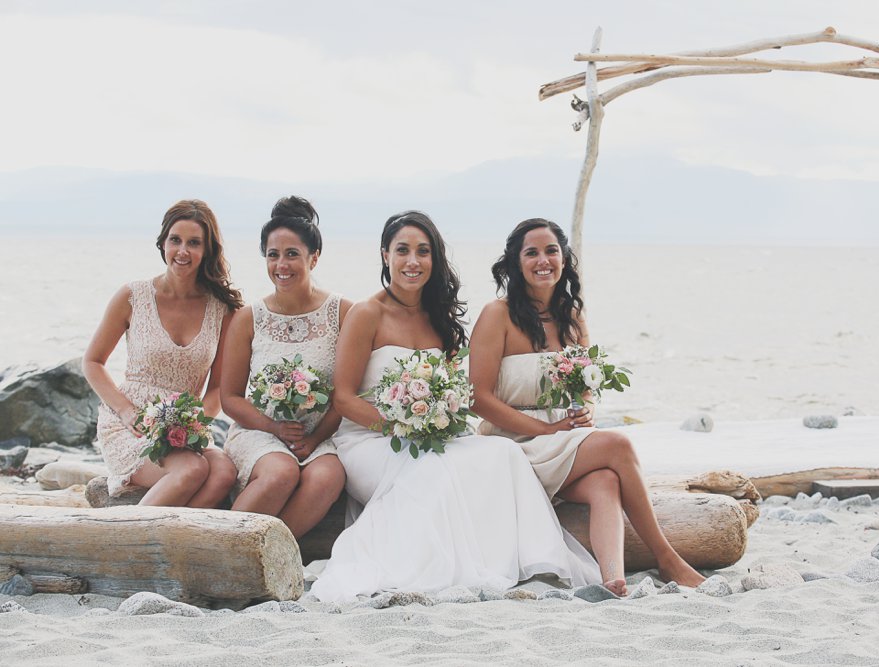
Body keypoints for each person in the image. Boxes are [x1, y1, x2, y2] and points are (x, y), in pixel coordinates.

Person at [309, 211, 599, 603]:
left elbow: (455, 390)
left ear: (434, 259)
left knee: (502, 452)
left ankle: (512, 560)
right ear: (385, 256)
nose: (413, 261)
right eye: (403, 250)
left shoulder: (437, 318)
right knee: (432, 470)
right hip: (369, 440)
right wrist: (398, 427)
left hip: (425, 436)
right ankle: (425, 566)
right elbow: (343, 398)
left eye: (423, 251)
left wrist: (440, 414)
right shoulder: (367, 313)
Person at [469, 218, 706, 593]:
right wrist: (544, 429)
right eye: (532, 253)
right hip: (511, 445)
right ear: (516, 262)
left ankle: (611, 578)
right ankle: (666, 558)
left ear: (564, 259)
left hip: (560, 439)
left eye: (552, 251)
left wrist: (587, 409)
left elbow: (585, 386)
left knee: (606, 481)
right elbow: (478, 398)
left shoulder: (572, 316)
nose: (543, 260)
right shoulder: (497, 314)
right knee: (619, 445)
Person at [83, 199, 240, 506]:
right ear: (163, 243)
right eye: (175, 240)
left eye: (194, 243)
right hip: (131, 423)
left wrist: (195, 423)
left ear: (207, 250)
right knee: (192, 469)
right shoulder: (132, 296)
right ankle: (132, 533)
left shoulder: (222, 310)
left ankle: (174, 535)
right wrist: (126, 411)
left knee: (224, 472)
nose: (182, 251)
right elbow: (92, 361)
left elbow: (218, 388)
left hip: (185, 425)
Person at [221, 196, 350, 539]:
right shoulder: (248, 318)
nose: (281, 264)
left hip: (319, 435)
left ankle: (277, 554)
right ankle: (225, 548)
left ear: (314, 257)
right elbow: (229, 398)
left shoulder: (343, 313)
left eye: (292, 254)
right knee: (281, 472)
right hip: (259, 431)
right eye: (273, 255)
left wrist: (315, 438)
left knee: (329, 476)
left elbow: (346, 394)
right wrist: (274, 428)